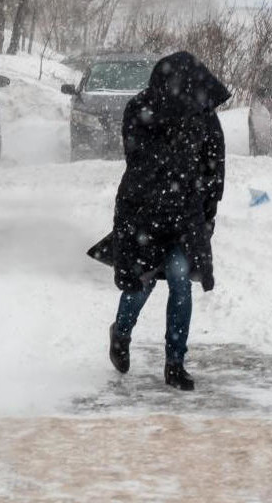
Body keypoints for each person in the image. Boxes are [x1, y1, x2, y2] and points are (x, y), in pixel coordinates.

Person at [88, 51, 229, 391]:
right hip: (144, 211)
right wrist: (174, 159)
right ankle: (120, 333)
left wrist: (207, 211)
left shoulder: (204, 115)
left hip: (187, 214)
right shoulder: (141, 108)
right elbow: (137, 160)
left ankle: (175, 363)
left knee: (181, 281)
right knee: (142, 281)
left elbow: (215, 167)